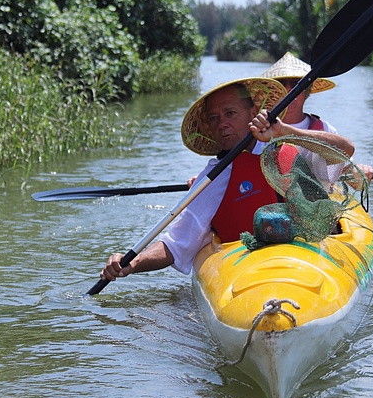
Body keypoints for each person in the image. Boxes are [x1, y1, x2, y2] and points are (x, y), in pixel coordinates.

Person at [101, 77, 355, 282]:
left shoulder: (291, 146)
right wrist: (131, 263)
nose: (222, 124)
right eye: (214, 118)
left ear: (253, 113)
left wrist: (284, 130)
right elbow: (177, 244)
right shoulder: (213, 177)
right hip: (250, 271)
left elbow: (346, 151)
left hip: (310, 264)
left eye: (230, 113)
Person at [260, 52, 373, 182]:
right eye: (280, 84)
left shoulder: (325, 130)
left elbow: (349, 176)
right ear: (271, 93)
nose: (288, 91)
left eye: (295, 84)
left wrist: (358, 172)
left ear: (307, 92)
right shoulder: (258, 128)